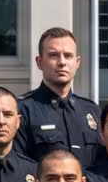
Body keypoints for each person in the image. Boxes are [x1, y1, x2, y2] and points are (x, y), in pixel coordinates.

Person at [16, 27, 101, 165]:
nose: (62, 62)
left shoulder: (91, 111)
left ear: (77, 62)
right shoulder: (23, 110)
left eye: (68, 55)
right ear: (39, 62)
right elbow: (18, 165)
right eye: (53, 55)